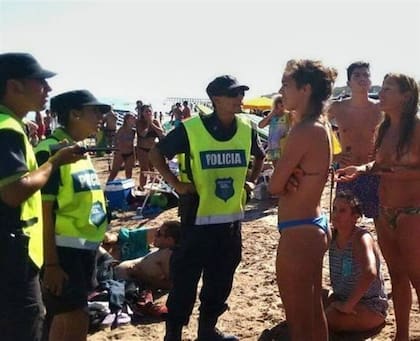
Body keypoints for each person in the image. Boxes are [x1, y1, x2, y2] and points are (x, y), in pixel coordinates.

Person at [149, 74, 265, 341]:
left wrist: (250, 181)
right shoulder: (191, 129)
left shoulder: (246, 128)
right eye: (233, 94)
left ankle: (207, 330)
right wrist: (176, 184)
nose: (240, 99)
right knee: (185, 283)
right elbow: (156, 153)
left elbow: (259, 156)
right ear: (216, 99)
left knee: (220, 280)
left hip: (230, 224)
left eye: (241, 93)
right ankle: (174, 333)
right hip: (196, 222)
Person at [0, 52, 83, 341]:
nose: (48, 90)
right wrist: (54, 162)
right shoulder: (7, 128)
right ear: (15, 86)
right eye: (41, 82)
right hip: (13, 258)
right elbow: (13, 191)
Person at [336, 73, 420, 340]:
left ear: (406, 96)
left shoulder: (416, 127)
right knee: (396, 276)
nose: (380, 93)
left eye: (387, 89)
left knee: (417, 277)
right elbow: (378, 165)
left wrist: (397, 174)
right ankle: (402, 335)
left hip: (412, 212)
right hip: (386, 211)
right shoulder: (384, 127)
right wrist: (360, 170)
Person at [267, 59, 337, 340]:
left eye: (286, 84)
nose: (282, 91)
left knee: (298, 318)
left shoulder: (305, 130)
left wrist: (283, 176)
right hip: (312, 223)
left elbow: (274, 186)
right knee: (312, 310)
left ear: (305, 89)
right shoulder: (320, 126)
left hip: (299, 229)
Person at [35, 90, 111, 341]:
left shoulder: (78, 150)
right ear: (74, 114)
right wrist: (52, 264)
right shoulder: (53, 151)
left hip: (82, 251)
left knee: (66, 317)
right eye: (95, 111)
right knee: (75, 317)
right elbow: (44, 209)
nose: (102, 116)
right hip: (61, 252)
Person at [328, 61, 383, 221]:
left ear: (371, 81)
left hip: (372, 171)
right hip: (346, 172)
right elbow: (315, 127)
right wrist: (334, 155)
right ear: (348, 83)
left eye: (366, 75)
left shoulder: (380, 109)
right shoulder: (337, 108)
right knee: (344, 220)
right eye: (357, 75)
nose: (362, 78)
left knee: (379, 220)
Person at [326, 190, 387, 333]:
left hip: (369, 306)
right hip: (342, 298)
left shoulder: (360, 238)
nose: (335, 214)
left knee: (327, 318)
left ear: (355, 217)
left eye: (342, 211)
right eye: (334, 209)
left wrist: (348, 305)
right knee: (311, 303)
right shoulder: (332, 237)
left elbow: (370, 272)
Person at [114, 220, 181, 290]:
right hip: (118, 276)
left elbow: (170, 285)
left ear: (169, 240)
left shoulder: (168, 255)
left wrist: (140, 275)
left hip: (124, 283)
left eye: (159, 233)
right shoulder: (161, 251)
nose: (155, 235)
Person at [136, 104, 164, 189]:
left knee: (153, 169)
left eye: (149, 111)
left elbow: (161, 133)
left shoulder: (155, 121)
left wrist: (152, 124)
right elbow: (143, 134)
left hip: (152, 149)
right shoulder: (139, 122)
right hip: (142, 149)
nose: (148, 113)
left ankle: (153, 188)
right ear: (142, 113)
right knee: (144, 170)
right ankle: (142, 187)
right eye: (146, 111)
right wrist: (148, 124)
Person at [257, 94, 291, 165]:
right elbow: (260, 125)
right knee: (275, 168)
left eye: (284, 101)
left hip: (282, 145)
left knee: (282, 167)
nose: (282, 103)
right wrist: (271, 114)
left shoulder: (288, 115)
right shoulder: (272, 117)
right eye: (280, 102)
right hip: (272, 146)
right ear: (276, 103)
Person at [107, 112, 136, 182]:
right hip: (120, 153)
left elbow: (134, 144)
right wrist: (117, 151)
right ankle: (108, 187)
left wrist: (134, 156)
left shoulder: (133, 131)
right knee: (114, 172)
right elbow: (115, 141)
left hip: (130, 153)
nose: (134, 119)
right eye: (132, 118)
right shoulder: (121, 130)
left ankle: (129, 188)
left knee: (129, 172)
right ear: (127, 120)